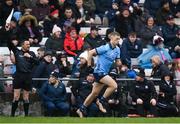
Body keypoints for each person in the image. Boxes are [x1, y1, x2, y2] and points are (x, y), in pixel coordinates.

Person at [76, 31, 122, 118]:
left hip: (104, 72)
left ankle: (81, 109)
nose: (118, 41)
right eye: (116, 39)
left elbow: (118, 61)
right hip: (99, 72)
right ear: (111, 38)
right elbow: (90, 53)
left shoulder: (117, 49)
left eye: (119, 39)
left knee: (94, 93)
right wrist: (89, 65)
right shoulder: (104, 48)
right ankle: (101, 101)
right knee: (114, 85)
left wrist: (119, 64)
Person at [6, 21, 39, 116]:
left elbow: (37, 63)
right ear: (23, 45)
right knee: (16, 97)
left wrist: (30, 57)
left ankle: (26, 116)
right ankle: (12, 115)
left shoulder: (31, 54)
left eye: (29, 44)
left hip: (28, 76)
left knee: (26, 97)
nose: (29, 45)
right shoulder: (17, 52)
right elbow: (9, 43)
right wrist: (8, 31)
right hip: (19, 76)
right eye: (27, 44)